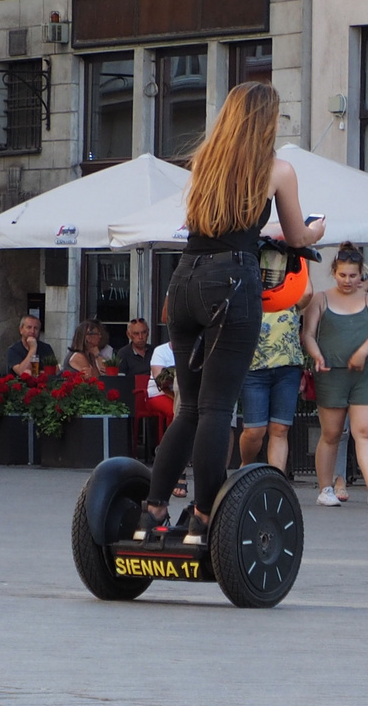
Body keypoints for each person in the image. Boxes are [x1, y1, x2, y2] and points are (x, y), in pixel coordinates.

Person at [139, 82, 324, 544]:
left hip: (184, 280)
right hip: (233, 283)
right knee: (218, 407)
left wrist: (272, 231)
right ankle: (203, 518)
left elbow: (228, 224)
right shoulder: (278, 170)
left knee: (188, 408)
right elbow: (299, 238)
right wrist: (315, 230)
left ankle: (153, 510)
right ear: (267, 122)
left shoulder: (206, 164)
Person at [303, 246, 368, 507]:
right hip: (331, 373)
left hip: (364, 374)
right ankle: (325, 488)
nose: (348, 281)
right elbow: (308, 333)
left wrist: (362, 353)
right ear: (334, 272)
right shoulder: (320, 299)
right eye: (343, 275)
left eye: (353, 276)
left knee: (364, 431)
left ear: (361, 274)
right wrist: (317, 355)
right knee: (331, 433)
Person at [239, 286, 309, 477]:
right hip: (253, 367)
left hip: (287, 366)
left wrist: (298, 257)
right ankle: (245, 467)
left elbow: (308, 292)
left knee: (280, 429)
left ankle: (276, 481)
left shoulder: (290, 292)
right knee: (254, 431)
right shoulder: (249, 287)